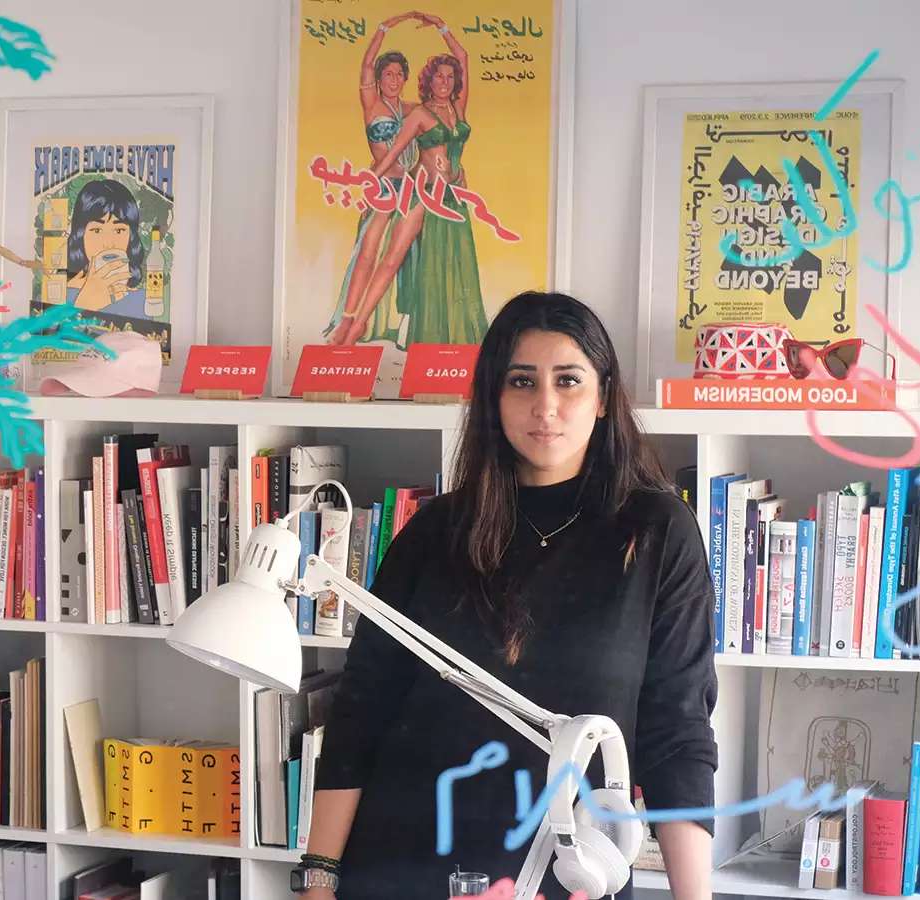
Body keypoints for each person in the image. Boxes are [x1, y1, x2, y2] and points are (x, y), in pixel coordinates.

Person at [299, 293, 717, 900]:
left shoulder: (655, 532)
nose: (545, 406)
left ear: (602, 397)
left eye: (568, 381)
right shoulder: (433, 531)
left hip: (567, 872)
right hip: (402, 863)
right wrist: (318, 880)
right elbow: (360, 713)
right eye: (522, 381)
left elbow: (676, 734)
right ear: (494, 399)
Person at [330, 13, 477, 346]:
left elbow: (464, 60)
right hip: (416, 191)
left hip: (451, 195)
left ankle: (440, 335)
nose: (445, 81)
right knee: (384, 255)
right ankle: (354, 325)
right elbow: (395, 152)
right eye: (438, 76)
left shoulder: (449, 108)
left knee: (446, 262)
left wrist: (442, 26)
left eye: (449, 77)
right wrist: (366, 183)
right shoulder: (414, 111)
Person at [323, 12, 426, 346]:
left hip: (408, 188)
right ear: (379, 79)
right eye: (387, 74)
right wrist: (388, 26)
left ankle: (364, 322)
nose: (393, 79)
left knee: (393, 257)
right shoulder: (371, 103)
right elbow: (366, 63)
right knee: (367, 252)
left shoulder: (412, 108)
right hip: (382, 187)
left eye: (399, 74)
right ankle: (348, 321)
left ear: (405, 79)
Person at [64, 178, 151, 319]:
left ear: (131, 237)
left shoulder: (143, 300)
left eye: (119, 231)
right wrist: (83, 304)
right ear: (81, 235)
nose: (108, 243)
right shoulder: (59, 294)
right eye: (97, 230)